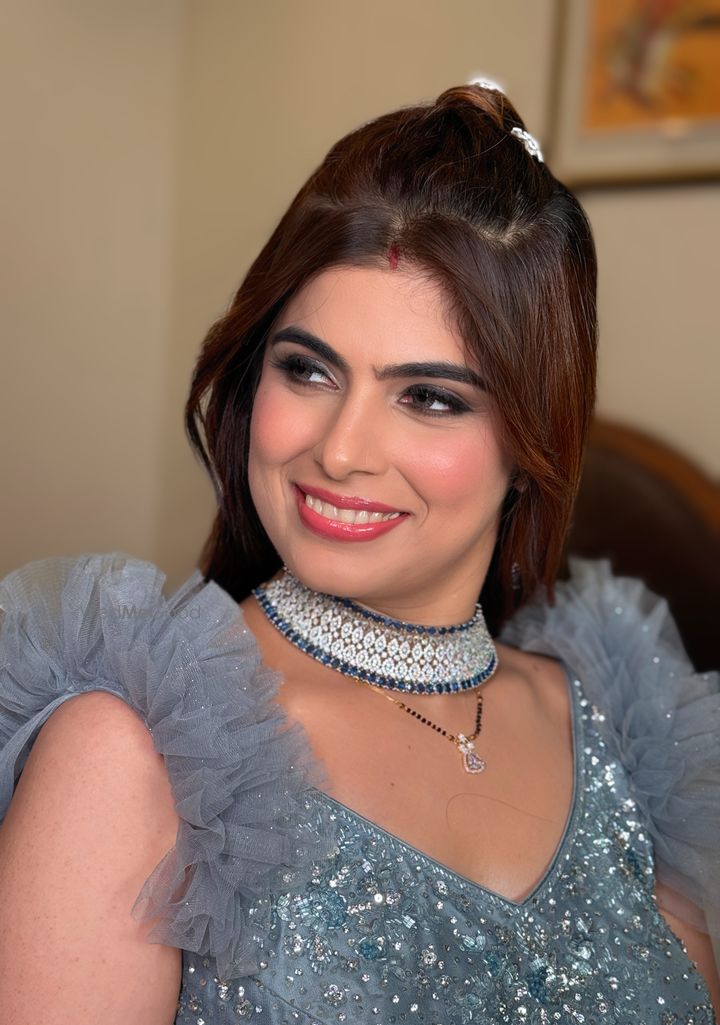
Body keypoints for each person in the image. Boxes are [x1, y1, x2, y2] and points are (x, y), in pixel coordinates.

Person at [0, 83, 718, 1024]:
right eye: (307, 369)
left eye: (430, 397)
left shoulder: (626, 738)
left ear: (531, 444)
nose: (340, 451)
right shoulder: (131, 753)